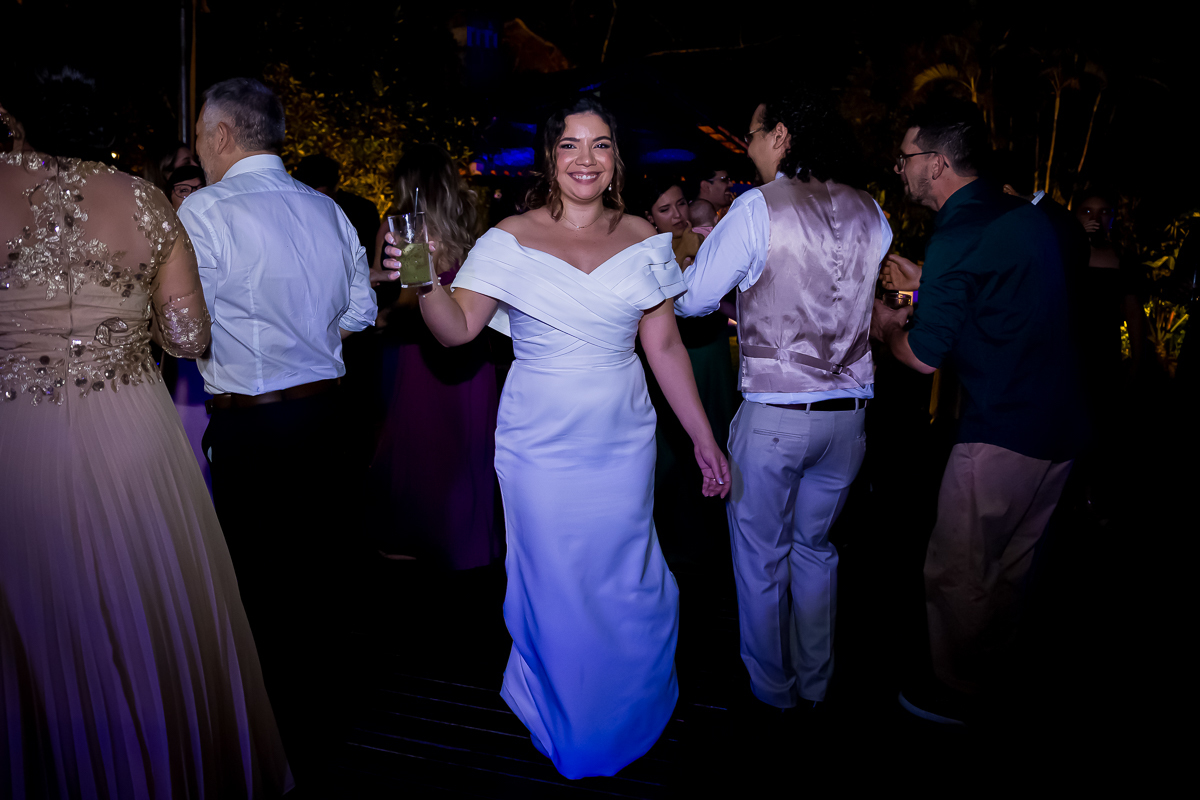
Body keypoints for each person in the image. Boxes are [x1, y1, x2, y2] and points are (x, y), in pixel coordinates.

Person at [384, 97, 730, 779]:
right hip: (538, 439)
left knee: (621, 575)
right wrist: (422, 276)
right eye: (570, 145)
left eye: (600, 145)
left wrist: (702, 436)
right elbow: (455, 332)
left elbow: (661, 343)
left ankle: (625, 704)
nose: (585, 159)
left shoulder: (642, 237)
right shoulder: (508, 237)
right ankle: (569, 715)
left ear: (615, 160)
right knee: (554, 579)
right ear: (550, 157)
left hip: (622, 436)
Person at [0, 68, 290, 797]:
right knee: (138, 605)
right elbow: (189, 338)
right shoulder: (145, 201)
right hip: (127, 427)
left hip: (15, 431)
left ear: (16, 116)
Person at [178, 77, 376, 792]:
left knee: (257, 585)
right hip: (328, 417)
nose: (200, 147)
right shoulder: (327, 210)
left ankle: (266, 741)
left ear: (224, 134)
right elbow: (358, 314)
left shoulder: (201, 212)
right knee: (322, 579)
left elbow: (181, 328)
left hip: (255, 427)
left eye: (201, 134)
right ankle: (322, 731)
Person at [871, 99, 1087, 723]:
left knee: (958, 568)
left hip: (1004, 427)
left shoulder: (961, 229)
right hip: (1062, 426)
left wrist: (886, 324)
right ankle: (991, 675)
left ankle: (956, 693)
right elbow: (1000, 299)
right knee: (1012, 565)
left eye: (907, 157)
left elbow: (923, 356)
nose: (900, 168)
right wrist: (928, 281)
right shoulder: (1023, 215)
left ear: (936, 163)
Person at [676, 88, 891, 714]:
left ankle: (773, 691)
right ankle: (818, 682)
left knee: (760, 557)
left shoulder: (756, 209)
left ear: (783, 136)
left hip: (775, 414)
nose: (747, 146)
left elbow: (691, 299)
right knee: (817, 550)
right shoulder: (871, 211)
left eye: (752, 133)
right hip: (848, 418)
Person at [367, 144, 501, 568]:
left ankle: (419, 541)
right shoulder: (475, 219)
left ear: (406, 182)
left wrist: (379, 312)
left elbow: (407, 298)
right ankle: (469, 542)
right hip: (472, 349)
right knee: (468, 447)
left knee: (418, 447)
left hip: (419, 352)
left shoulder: (403, 228)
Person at [637, 176, 738, 572]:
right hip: (669, 354)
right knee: (671, 450)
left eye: (680, 204)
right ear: (649, 217)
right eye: (665, 209)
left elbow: (728, 301)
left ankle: (714, 537)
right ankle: (672, 544)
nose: (678, 214)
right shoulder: (643, 250)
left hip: (709, 348)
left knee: (715, 429)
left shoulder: (703, 239)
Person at [293, 152, 381, 256]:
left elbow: (368, 258)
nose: (315, 202)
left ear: (334, 187)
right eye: (309, 195)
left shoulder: (363, 211)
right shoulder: (293, 212)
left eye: (320, 196)